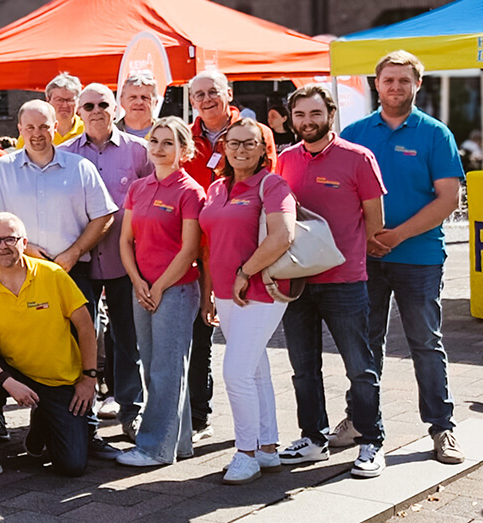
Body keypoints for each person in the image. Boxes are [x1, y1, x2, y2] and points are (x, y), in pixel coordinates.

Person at [340, 50, 467, 468]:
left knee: (426, 344)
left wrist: (396, 236)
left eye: (404, 80)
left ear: (418, 85)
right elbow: (342, 196)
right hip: (365, 259)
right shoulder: (356, 132)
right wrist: (365, 240)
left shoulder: (435, 134)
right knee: (364, 344)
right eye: (388, 80)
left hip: (419, 257)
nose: (396, 87)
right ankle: (360, 422)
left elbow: (449, 198)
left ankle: (441, 427)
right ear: (376, 84)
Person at [0, 100, 121, 460]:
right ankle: (46, 417)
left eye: (44, 126)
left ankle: (84, 428)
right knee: (33, 349)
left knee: (81, 345)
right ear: (19, 129)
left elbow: (103, 216)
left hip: (72, 269)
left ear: (57, 126)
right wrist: (23, 253)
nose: (37, 134)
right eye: (29, 127)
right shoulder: (0, 171)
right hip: (21, 272)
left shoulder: (80, 167)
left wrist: (74, 251)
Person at [274, 85, 388, 472]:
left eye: (315, 114)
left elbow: (375, 219)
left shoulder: (358, 158)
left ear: (331, 114)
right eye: (300, 115)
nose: (308, 121)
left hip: (345, 281)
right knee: (303, 367)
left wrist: (355, 250)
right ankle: (313, 437)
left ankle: (371, 440)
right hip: (297, 282)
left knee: (359, 366)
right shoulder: (285, 159)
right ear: (291, 119)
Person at [0, 213, 99, 480]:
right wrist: (8, 382)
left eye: (10, 239)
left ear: (24, 242)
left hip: (59, 379)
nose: (2, 246)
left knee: (72, 467)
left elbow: (86, 327)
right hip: (15, 371)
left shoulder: (52, 275)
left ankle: (43, 420)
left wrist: (89, 379)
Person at [197, 118, 292, 484]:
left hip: (261, 290)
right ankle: (267, 448)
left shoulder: (272, 184)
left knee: (235, 372)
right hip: (224, 293)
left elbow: (282, 235)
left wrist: (244, 272)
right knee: (254, 369)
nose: (240, 149)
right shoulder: (218, 186)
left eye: (249, 143)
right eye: (233, 143)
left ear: (263, 148)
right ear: (223, 148)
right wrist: (208, 294)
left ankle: (246, 453)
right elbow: (209, 247)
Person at [113, 117, 207, 467]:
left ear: (184, 150)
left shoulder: (190, 192)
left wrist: (159, 285)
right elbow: (126, 240)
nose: (159, 148)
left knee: (167, 370)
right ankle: (178, 444)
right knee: (155, 367)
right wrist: (137, 281)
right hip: (143, 289)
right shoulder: (138, 188)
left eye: (168, 143)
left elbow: (189, 249)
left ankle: (153, 448)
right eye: (155, 140)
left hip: (176, 291)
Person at [59, 83, 151, 433]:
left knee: (127, 338)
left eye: (103, 104)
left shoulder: (139, 152)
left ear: (116, 109)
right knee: (83, 336)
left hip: (123, 261)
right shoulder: (63, 153)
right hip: (78, 261)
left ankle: (131, 411)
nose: (96, 110)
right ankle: (84, 414)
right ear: (78, 112)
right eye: (89, 105)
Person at [41, 73, 85, 145]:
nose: (65, 105)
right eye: (59, 100)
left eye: (70, 100)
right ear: (48, 100)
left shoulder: (88, 130)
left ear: (78, 101)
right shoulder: (36, 130)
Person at [118, 71, 161, 138]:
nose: (139, 102)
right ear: (121, 101)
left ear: (155, 102)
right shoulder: (107, 133)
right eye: (133, 97)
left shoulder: (170, 132)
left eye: (145, 98)